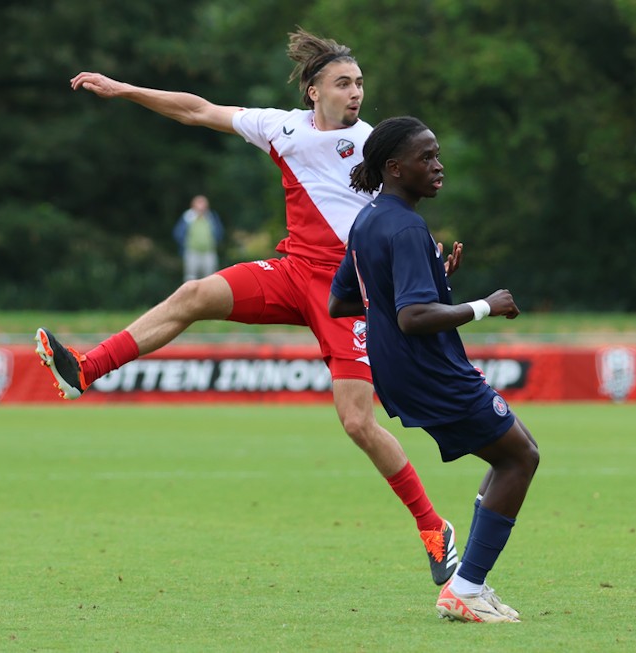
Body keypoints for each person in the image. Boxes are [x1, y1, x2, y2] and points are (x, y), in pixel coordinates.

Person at [34, 29, 460, 585]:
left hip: (349, 293)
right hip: (291, 273)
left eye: (359, 83)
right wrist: (124, 88)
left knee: (357, 422)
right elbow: (198, 110)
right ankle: (84, 370)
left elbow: (404, 211)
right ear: (313, 90)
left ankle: (433, 529)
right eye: (343, 83)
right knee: (193, 294)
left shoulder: (378, 144)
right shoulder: (280, 128)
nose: (355, 92)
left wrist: (425, 265)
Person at [329, 116, 540, 623]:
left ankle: (469, 582)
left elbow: (341, 301)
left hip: (401, 371)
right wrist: (485, 305)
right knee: (520, 458)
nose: (438, 165)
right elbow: (413, 316)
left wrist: (426, 277)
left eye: (437, 154)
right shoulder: (405, 225)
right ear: (395, 168)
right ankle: (465, 587)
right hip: (429, 370)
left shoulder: (369, 218)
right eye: (426, 158)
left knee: (513, 454)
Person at [173, 194, 224, 282]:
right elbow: (178, 233)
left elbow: (219, 232)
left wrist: (215, 243)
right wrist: (185, 245)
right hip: (192, 252)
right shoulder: (187, 217)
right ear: (193, 205)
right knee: (190, 278)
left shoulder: (211, 217)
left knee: (210, 278)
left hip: (209, 252)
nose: (201, 207)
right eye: (199, 203)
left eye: (203, 204)